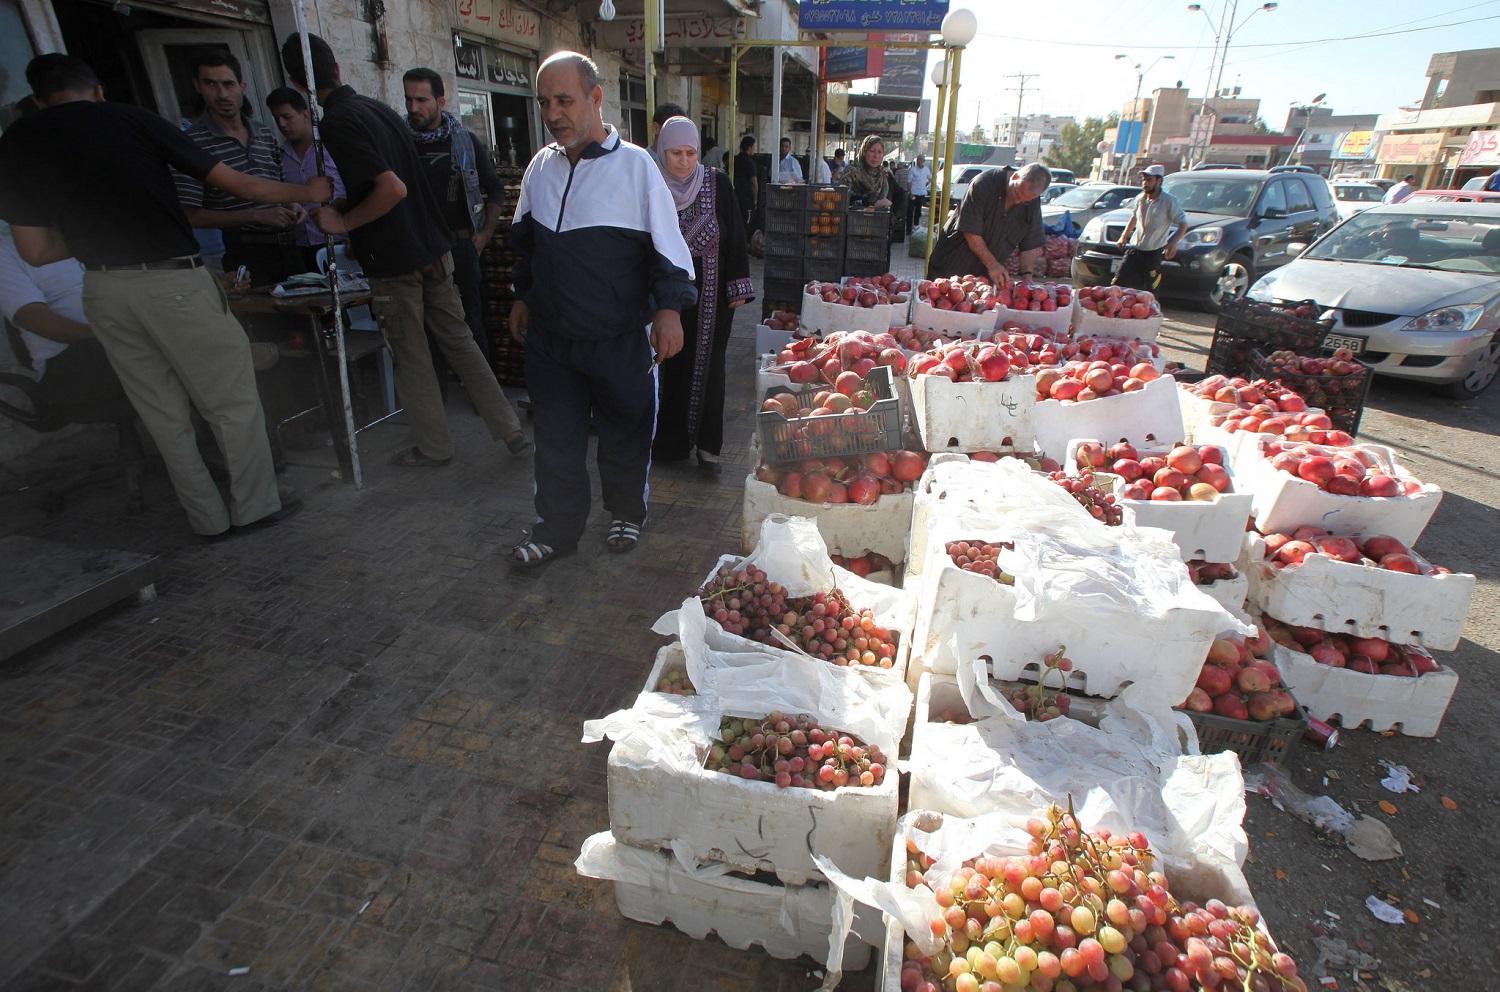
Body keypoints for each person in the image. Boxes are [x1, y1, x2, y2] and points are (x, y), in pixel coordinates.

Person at [0, 54, 330, 537]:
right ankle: (255, 506)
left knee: (161, 411)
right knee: (230, 400)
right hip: (170, 280)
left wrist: (92, 231)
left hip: (105, 289)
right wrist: (307, 192)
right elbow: (238, 185)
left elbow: (36, 250)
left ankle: (207, 520)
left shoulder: (16, 143)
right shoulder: (132, 120)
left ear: (37, 99)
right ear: (96, 91)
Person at [279, 33, 528, 468]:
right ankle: (508, 428)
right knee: (461, 342)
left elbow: (391, 188)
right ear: (336, 69)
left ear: (299, 85)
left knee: (413, 357)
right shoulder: (380, 112)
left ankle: (434, 448)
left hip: (395, 260)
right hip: (433, 248)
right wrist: (346, 205)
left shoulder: (340, 122)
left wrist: (343, 222)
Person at [507, 51, 696, 567]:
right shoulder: (540, 168)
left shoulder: (636, 168)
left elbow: (669, 252)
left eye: (564, 100)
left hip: (619, 339)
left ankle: (626, 513)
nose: (553, 113)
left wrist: (670, 311)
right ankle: (557, 529)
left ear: (595, 97)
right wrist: (522, 295)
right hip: (551, 341)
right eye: (545, 102)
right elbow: (525, 244)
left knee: (625, 431)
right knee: (556, 440)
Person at [651, 117, 753, 474]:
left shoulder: (717, 183)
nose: (682, 160)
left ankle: (709, 448)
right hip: (665, 299)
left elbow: (737, 235)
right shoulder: (650, 183)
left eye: (690, 152)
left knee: (711, 369)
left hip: (712, 299)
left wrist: (738, 284)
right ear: (662, 151)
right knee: (668, 369)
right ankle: (670, 443)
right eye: (675, 152)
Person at [403, 66, 510, 364]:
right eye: (409, 100)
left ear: (440, 101)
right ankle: (438, 397)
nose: (414, 108)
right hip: (418, 250)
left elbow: (496, 191)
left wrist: (484, 235)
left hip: (460, 247)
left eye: (422, 100)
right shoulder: (401, 143)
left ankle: (483, 398)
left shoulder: (464, 142)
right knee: (423, 327)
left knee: (472, 321)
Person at [174, 50, 303, 285]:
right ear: (198, 86)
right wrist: (255, 215)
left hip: (290, 249)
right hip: (244, 253)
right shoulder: (191, 144)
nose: (222, 94)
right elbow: (190, 216)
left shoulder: (263, 132)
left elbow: (281, 185)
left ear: (242, 86)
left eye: (228, 84)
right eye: (211, 84)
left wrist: (294, 206)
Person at [0, 219, 128, 421]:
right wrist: (107, 336)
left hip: (121, 342)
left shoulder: (83, 233)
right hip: (70, 362)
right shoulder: (5, 250)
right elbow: (32, 316)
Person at [926, 162, 1050, 285]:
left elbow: (1030, 243)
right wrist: (993, 265)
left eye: (1025, 201)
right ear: (1014, 176)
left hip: (984, 278)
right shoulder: (984, 184)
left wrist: (1027, 276)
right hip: (952, 265)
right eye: (1017, 194)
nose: (1018, 201)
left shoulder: (1032, 202)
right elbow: (971, 232)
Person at [266, 86, 345, 273]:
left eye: (287, 117)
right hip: (301, 246)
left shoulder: (332, 146)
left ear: (305, 114)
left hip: (340, 241)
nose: (282, 124)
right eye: (277, 119)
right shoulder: (280, 155)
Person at [1112, 164, 1186, 292]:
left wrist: (1173, 243)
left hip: (1153, 252)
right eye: (1144, 180)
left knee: (1150, 288)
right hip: (1135, 250)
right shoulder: (1140, 198)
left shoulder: (1169, 201)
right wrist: (1123, 236)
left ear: (1159, 181)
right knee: (1118, 282)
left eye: (1149, 180)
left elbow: (1183, 224)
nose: (1145, 183)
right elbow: (1134, 217)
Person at [839, 134, 893, 209]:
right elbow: (842, 199)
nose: (876, 156)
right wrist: (870, 203)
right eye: (872, 151)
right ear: (864, 151)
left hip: (877, 219)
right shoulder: (851, 172)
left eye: (880, 152)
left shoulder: (883, 175)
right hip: (853, 218)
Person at [732, 135, 759, 231]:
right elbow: (754, 182)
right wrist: (755, 200)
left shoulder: (734, 160)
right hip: (746, 198)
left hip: (734, 196)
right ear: (749, 147)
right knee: (747, 223)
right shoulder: (750, 162)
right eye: (754, 147)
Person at [907, 153, 932, 231]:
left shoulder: (926, 169)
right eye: (918, 160)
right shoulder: (913, 169)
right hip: (913, 193)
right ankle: (909, 228)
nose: (919, 161)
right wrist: (910, 193)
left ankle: (916, 225)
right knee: (910, 211)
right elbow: (909, 182)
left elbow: (930, 178)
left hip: (921, 193)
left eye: (921, 160)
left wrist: (926, 184)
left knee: (918, 210)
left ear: (924, 161)